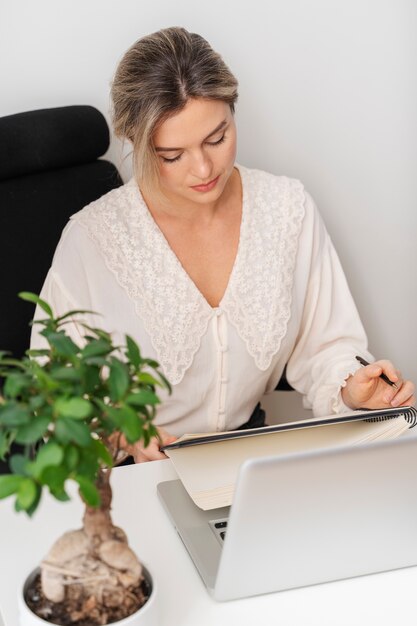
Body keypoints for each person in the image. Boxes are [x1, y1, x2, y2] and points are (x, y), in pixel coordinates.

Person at [31, 26, 415, 462]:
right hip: (134, 482)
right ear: (135, 144)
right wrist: (122, 433)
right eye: (172, 156)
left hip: (247, 467)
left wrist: (352, 387)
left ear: (233, 111)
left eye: (217, 137)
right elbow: (53, 401)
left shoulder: (287, 208)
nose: (203, 168)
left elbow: (326, 346)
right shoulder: (92, 240)